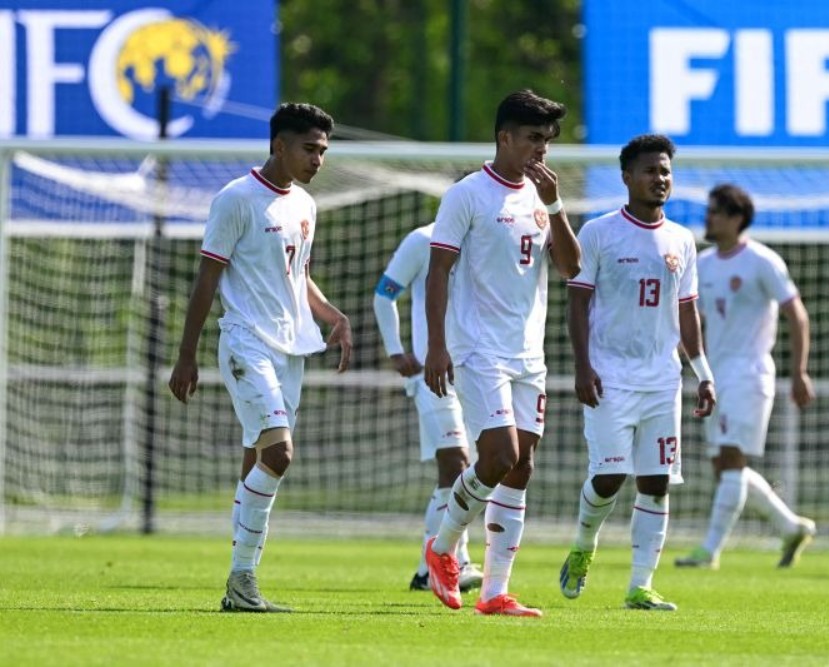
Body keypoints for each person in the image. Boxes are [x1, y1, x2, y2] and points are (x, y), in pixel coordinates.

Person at [168, 102, 353, 612]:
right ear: (279, 145)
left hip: (291, 348)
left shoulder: (305, 206)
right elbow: (207, 278)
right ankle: (242, 582)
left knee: (257, 459)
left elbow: (297, 277)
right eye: (309, 149)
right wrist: (187, 355)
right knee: (279, 455)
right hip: (246, 342)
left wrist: (330, 314)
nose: (318, 160)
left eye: (323, 151)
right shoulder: (236, 199)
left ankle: (240, 584)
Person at [422, 89, 581, 617]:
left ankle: (494, 592)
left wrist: (555, 205)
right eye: (533, 139)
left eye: (548, 142)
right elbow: (438, 270)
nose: (541, 151)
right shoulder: (466, 194)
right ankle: (443, 547)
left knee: (522, 466)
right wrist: (438, 344)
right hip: (476, 347)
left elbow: (572, 268)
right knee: (499, 456)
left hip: (527, 353)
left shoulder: (542, 198)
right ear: (504, 137)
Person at [558, 134, 716, 611]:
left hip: (662, 380)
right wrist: (582, 366)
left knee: (656, 479)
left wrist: (702, 372)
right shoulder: (600, 232)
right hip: (609, 376)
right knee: (610, 476)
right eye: (650, 170)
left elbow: (686, 313)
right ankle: (583, 546)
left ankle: (640, 585)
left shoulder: (682, 240)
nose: (659, 178)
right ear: (627, 177)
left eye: (665, 171)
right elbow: (578, 303)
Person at [674, 183, 816, 570]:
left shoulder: (762, 261)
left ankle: (709, 552)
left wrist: (799, 371)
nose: (708, 218)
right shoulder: (702, 264)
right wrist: (676, 355)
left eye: (716, 212)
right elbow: (693, 320)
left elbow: (796, 314)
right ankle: (789, 526)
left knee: (733, 462)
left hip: (750, 374)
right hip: (715, 376)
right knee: (724, 467)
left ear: (736, 218)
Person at [372, 222, 484, 593]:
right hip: (431, 374)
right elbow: (384, 294)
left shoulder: (491, 239)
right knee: (457, 462)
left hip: (477, 373)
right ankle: (457, 559)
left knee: (460, 472)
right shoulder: (422, 240)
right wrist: (395, 350)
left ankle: (426, 569)